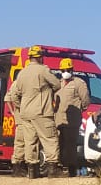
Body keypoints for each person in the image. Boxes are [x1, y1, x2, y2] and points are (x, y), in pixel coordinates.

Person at [9, 45, 63, 178]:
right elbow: (57, 84)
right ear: (40, 57)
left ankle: (32, 171)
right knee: (50, 139)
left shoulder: (22, 73)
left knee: (30, 141)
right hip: (42, 111)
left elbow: (14, 94)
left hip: (26, 113)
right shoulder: (43, 70)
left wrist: (21, 107)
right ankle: (53, 169)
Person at [54, 59, 90, 176]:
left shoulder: (79, 83)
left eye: (68, 70)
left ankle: (72, 169)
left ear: (72, 70)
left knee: (71, 144)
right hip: (59, 120)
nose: (66, 72)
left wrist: (80, 109)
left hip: (72, 120)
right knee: (59, 144)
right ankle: (61, 167)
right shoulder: (58, 84)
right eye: (63, 70)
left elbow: (85, 100)